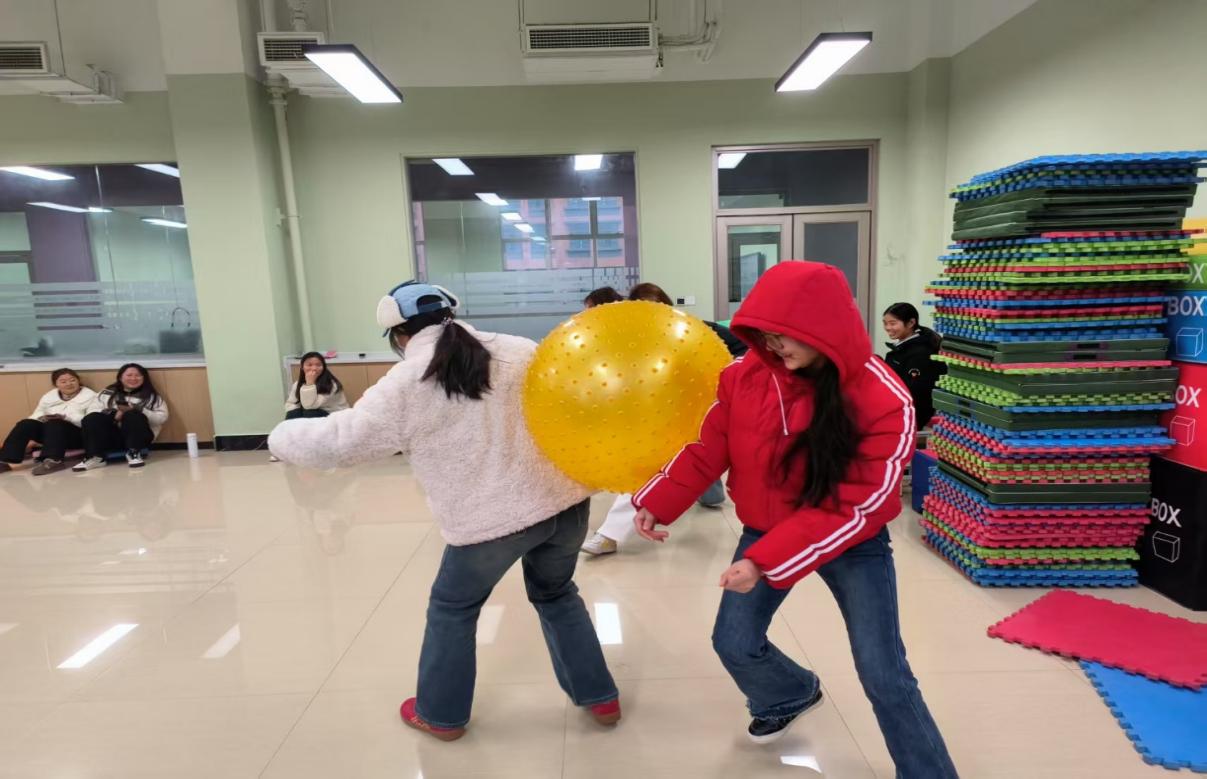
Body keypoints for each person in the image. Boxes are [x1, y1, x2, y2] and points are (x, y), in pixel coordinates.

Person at [631, 262, 958, 777]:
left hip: (852, 541)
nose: (773, 345)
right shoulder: (743, 376)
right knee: (734, 643)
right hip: (766, 527)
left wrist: (764, 561)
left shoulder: (883, 395)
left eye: (783, 334)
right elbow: (709, 444)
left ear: (822, 328)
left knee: (884, 675)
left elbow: (860, 504)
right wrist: (661, 498)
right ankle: (788, 694)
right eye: (764, 334)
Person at [267, 281, 619, 742]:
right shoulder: (520, 350)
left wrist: (280, 436)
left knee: (453, 608)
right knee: (557, 595)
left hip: (492, 518)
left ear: (398, 335)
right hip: (565, 502)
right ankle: (600, 697)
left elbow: (342, 442)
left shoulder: (407, 381)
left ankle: (440, 714)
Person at [581, 281, 746, 556]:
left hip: (707, 409)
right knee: (653, 464)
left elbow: (746, 351)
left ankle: (705, 489)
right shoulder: (642, 340)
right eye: (647, 310)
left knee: (706, 481)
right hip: (667, 416)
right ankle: (610, 534)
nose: (656, 315)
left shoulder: (700, 330)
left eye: (659, 308)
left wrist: (728, 381)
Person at [0, 368, 98, 476]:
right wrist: (41, 419)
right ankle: (5, 460)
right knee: (26, 424)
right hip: (51, 434)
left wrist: (66, 418)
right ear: (56, 384)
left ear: (78, 381)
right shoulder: (49, 397)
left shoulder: (91, 396)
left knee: (55, 423)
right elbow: (37, 414)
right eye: (63, 381)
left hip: (77, 435)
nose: (69, 384)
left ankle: (53, 460)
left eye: (72, 380)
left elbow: (91, 421)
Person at [74, 363, 169, 471]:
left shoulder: (151, 396)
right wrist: (114, 415)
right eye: (129, 375)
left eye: (138, 375)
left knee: (133, 414)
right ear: (120, 377)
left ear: (144, 378)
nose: (133, 378)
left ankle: (134, 453)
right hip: (111, 437)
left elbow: (162, 418)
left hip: (139, 437)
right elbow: (91, 411)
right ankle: (95, 457)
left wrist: (140, 410)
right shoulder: (107, 393)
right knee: (92, 418)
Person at [882, 302, 945, 430]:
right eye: (885, 323)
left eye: (893, 323)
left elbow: (915, 392)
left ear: (911, 323)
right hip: (897, 412)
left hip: (909, 418)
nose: (888, 327)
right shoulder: (903, 348)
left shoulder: (920, 353)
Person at [285, 352, 349, 419]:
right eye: (309, 365)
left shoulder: (331, 385)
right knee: (293, 413)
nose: (314, 368)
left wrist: (309, 384)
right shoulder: (297, 384)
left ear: (323, 367)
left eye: (318, 365)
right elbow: (291, 403)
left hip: (333, 415)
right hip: (312, 412)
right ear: (302, 367)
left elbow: (310, 406)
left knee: (310, 412)